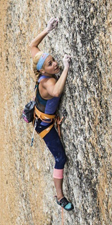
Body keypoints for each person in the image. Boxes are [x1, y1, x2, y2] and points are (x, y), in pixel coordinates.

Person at [29, 17, 73, 211]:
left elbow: (32, 45)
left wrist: (47, 29)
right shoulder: (47, 82)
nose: (54, 64)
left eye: (53, 60)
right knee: (60, 158)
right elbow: (56, 92)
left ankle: (60, 195)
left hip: (43, 117)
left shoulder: (39, 61)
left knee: (61, 157)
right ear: (43, 70)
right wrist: (66, 68)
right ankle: (60, 196)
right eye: (50, 64)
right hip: (44, 127)